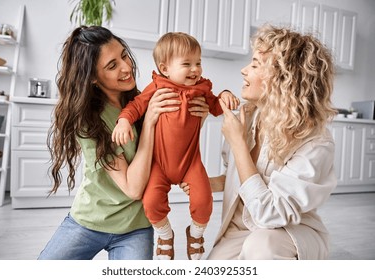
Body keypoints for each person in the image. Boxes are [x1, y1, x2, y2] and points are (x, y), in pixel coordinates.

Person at [37, 26, 209, 260]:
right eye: (112, 65)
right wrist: (148, 123)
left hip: (135, 227)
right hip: (91, 220)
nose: (127, 67)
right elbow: (133, 188)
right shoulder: (89, 121)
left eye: (124, 55)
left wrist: (200, 117)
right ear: (93, 78)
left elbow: (173, 150)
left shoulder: (145, 99)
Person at [182, 25, 338, 259]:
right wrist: (207, 183)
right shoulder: (249, 117)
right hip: (240, 230)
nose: (244, 70)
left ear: (284, 79)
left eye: (255, 65)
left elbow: (270, 214)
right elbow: (243, 179)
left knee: (262, 246)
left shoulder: (315, 141)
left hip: (284, 233)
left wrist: (238, 144)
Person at [112, 32, 240, 260]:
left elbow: (216, 106)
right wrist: (123, 121)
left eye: (198, 63)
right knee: (150, 202)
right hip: (158, 164)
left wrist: (226, 95)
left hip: (190, 162)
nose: (195, 69)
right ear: (165, 68)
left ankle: (196, 233)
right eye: (187, 64)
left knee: (204, 201)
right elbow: (136, 105)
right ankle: (164, 234)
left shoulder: (201, 89)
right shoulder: (157, 87)